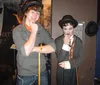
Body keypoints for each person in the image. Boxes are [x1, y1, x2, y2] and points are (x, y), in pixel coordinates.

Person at [12, 0, 56, 85]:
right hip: (25, 75)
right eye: (32, 12)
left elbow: (53, 47)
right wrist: (34, 32)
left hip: (42, 72)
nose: (35, 16)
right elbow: (25, 52)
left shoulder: (41, 29)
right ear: (26, 13)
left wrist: (34, 48)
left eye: (38, 13)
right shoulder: (18, 30)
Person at [55, 15, 83, 85]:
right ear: (62, 29)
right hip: (61, 71)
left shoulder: (79, 41)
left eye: (70, 28)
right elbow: (60, 58)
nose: (68, 31)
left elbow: (81, 58)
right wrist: (65, 45)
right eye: (65, 29)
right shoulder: (58, 40)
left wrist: (70, 64)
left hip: (73, 69)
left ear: (73, 28)